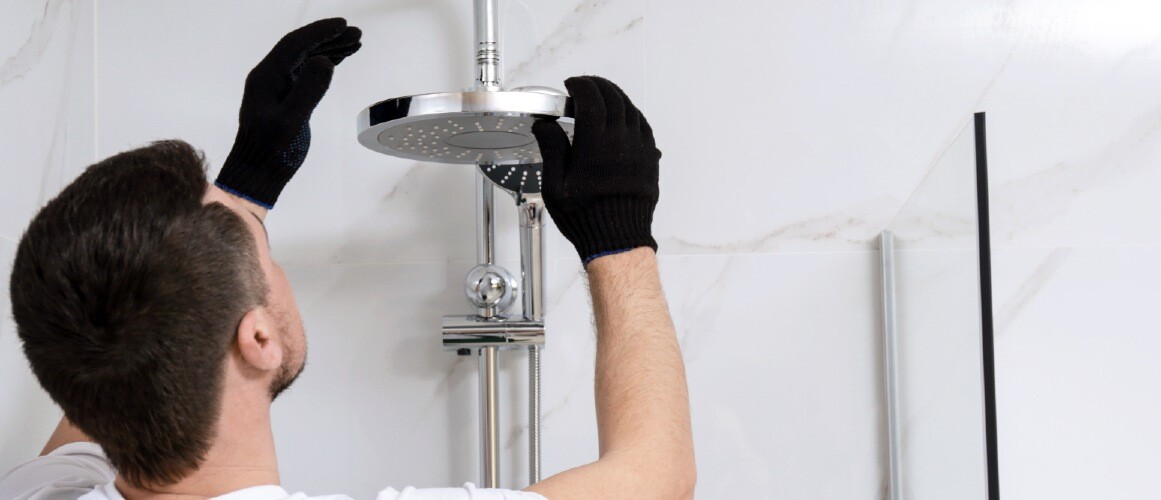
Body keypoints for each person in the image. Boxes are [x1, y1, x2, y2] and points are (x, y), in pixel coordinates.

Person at [0, 18, 694, 500]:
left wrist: (246, 186)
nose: (274, 263)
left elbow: (108, 326)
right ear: (258, 339)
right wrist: (619, 241)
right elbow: (657, 478)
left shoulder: (50, 487)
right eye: (263, 259)